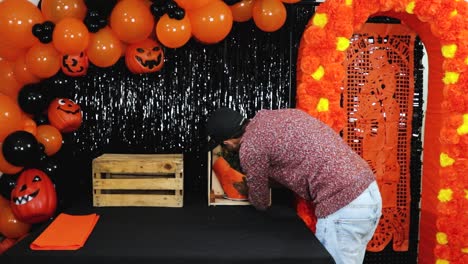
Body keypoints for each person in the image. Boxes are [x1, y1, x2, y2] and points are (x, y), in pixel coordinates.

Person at [205, 107, 382, 264]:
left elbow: (261, 202)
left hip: (343, 205)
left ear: (227, 142)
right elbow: (296, 162)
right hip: (369, 191)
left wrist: (250, 188)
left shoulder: (251, 147)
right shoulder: (281, 115)